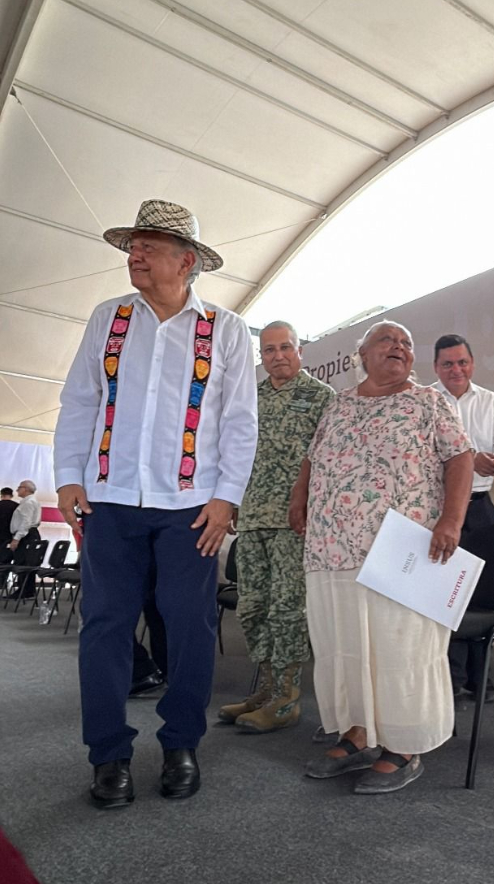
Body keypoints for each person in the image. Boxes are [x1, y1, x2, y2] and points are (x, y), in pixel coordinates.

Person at [54, 200, 258, 809]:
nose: (134, 255)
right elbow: (80, 401)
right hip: (110, 502)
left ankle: (181, 743)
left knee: (190, 626)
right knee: (105, 627)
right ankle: (108, 755)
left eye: (148, 245)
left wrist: (227, 499)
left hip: (192, 508)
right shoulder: (108, 318)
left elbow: (240, 421)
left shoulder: (225, 328)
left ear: (186, 261)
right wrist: (68, 477)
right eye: (132, 245)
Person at [290, 320, 474, 794]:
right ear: (362, 355)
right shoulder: (339, 404)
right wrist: (298, 498)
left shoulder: (429, 401)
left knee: (400, 646)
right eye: (387, 340)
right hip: (333, 546)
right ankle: (358, 733)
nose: (399, 347)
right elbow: (314, 458)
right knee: (344, 642)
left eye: (407, 343)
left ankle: (404, 746)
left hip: (401, 548)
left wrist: (451, 521)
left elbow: (460, 458)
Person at [218, 321, 334, 733]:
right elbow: (232, 452)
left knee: (287, 611)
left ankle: (287, 699)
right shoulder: (249, 398)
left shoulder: (322, 398)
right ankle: (265, 689)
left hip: (293, 523)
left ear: (300, 351)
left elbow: (328, 462)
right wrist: (229, 499)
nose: (277, 356)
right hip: (251, 519)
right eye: (269, 350)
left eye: (285, 347)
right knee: (252, 609)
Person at [432, 333, 494, 705]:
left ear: (473, 363)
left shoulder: (490, 400)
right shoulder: (426, 401)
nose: (456, 369)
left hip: (482, 506)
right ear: (436, 368)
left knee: (481, 595)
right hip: (443, 509)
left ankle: (481, 681)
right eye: (448, 363)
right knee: (444, 596)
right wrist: (471, 459)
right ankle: (448, 679)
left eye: (462, 362)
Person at [7, 479, 42, 598]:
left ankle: (25, 591)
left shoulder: (28, 503)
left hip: (26, 535)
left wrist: (16, 538)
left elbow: (25, 522)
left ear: (26, 489)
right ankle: (25, 590)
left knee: (23, 563)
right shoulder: (29, 502)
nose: (17, 490)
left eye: (19, 487)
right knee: (25, 562)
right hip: (28, 534)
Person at [0, 486, 18, 566]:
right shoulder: (17, 507)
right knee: (5, 560)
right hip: (10, 537)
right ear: (11, 495)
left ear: (1, 495)